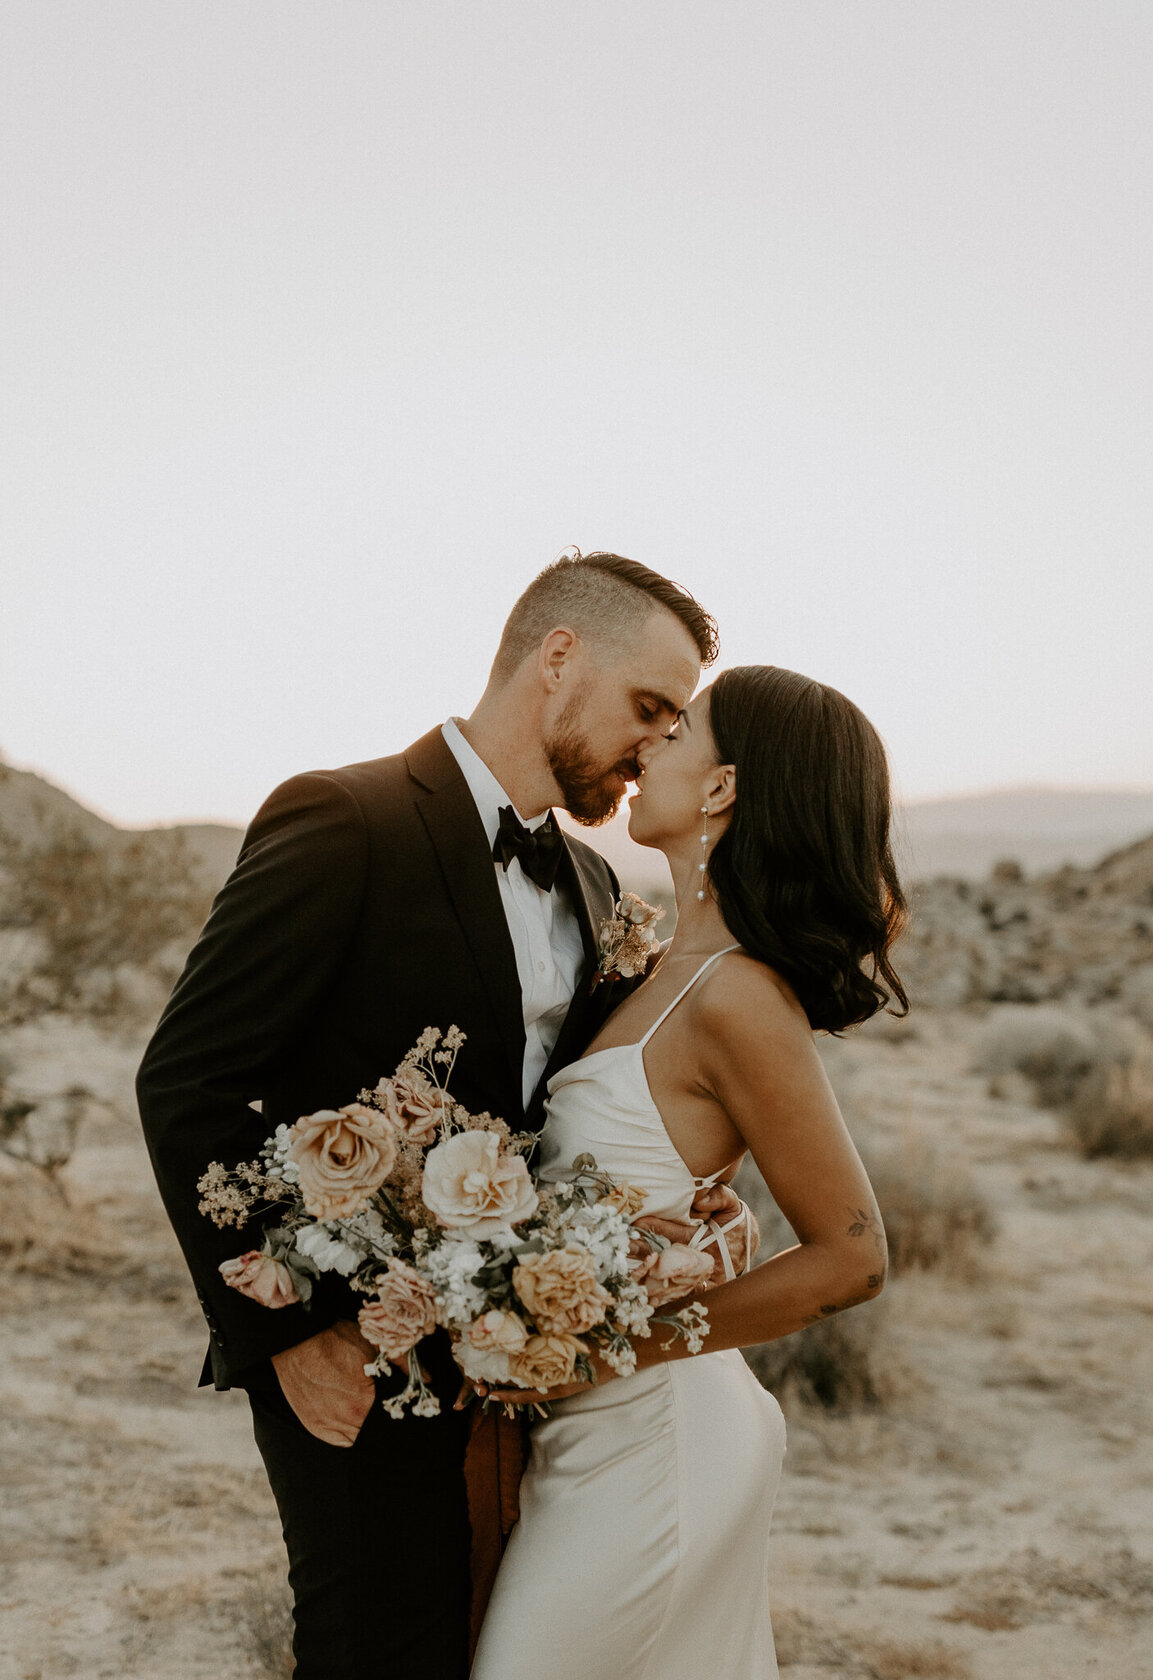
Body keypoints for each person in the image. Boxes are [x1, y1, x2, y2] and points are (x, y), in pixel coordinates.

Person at [135, 551, 755, 1680]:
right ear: (558, 661)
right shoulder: (344, 817)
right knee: (378, 1645)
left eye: (677, 725)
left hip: (537, 1364)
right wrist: (290, 1336)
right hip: (355, 1351)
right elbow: (189, 1080)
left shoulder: (602, 887)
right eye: (648, 708)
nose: (655, 744)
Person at [470, 664, 909, 1680]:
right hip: (589, 1433)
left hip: (659, 1437)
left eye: (677, 730)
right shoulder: (657, 965)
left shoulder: (737, 996)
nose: (647, 745)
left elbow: (853, 1259)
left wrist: (622, 1350)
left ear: (722, 789)